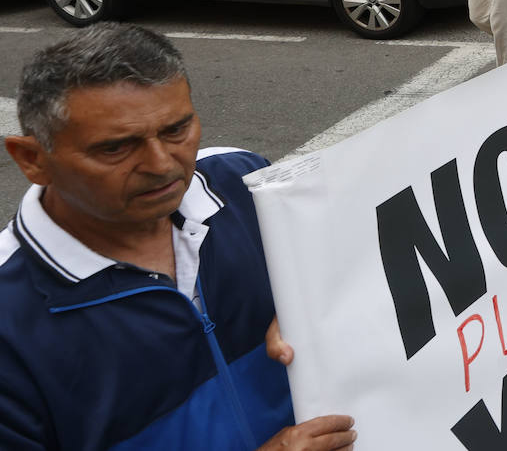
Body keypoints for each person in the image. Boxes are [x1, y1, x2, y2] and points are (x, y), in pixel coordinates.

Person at [1, 24, 354, 449]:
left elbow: (358, 271)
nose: (162, 164)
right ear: (32, 159)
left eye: (176, 130)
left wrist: (315, 305)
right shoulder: (10, 322)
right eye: (116, 148)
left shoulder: (244, 181)